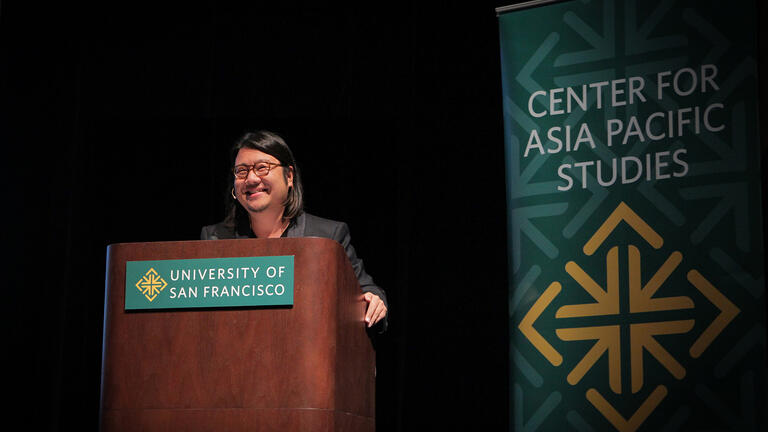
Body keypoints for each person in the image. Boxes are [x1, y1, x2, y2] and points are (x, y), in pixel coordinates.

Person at [200, 130, 388, 330]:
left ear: (289, 176)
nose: (251, 179)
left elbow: (367, 291)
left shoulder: (327, 236)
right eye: (241, 171)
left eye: (262, 168)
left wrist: (373, 301)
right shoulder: (216, 239)